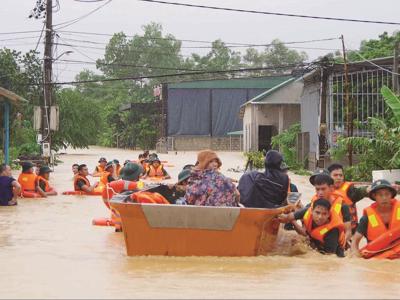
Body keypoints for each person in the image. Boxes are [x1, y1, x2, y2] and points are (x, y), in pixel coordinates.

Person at [279, 172, 353, 244]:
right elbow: (304, 232)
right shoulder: (311, 206)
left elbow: (348, 232)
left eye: (323, 189)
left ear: (331, 188)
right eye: (318, 189)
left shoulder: (343, 206)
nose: (320, 193)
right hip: (315, 243)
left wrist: (343, 243)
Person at [351, 179, 400, 258]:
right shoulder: (366, 218)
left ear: (391, 195)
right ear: (374, 196)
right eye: (380, 195)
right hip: (378, 259)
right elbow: (355, 241)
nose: (384, 198)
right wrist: (355, 257)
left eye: (387, 194)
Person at [281, 198, 346, 257]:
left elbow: (329, 257)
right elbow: (287, 217)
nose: (320, 217)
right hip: (315, 242)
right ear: (311, 211)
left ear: (328, 214)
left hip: (334, 252)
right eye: (317, 213)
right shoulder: (306, 211)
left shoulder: (332, 231)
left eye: (324, 214)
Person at [328, 163, 368, 233]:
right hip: (332, 230)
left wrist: (368, 190)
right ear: (328, 177)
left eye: (341, 175)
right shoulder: (324, 189)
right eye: (335, 175)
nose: (338, 177)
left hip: (350, 230)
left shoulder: (349, 189)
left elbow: (359, 192)